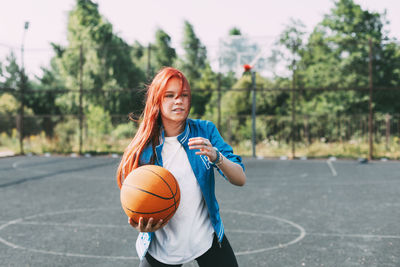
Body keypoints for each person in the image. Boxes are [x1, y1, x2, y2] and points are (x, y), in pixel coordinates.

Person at [117, 67, 246, 267]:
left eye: (184, 95)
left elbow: (240, 178)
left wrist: (216, 156)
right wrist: (138, 220)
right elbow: (134, 199)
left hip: (206, 239)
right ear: (157, 100)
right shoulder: (143, 148)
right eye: (170, 95)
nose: (178, 101)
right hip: (161, 247)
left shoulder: (205, 131)